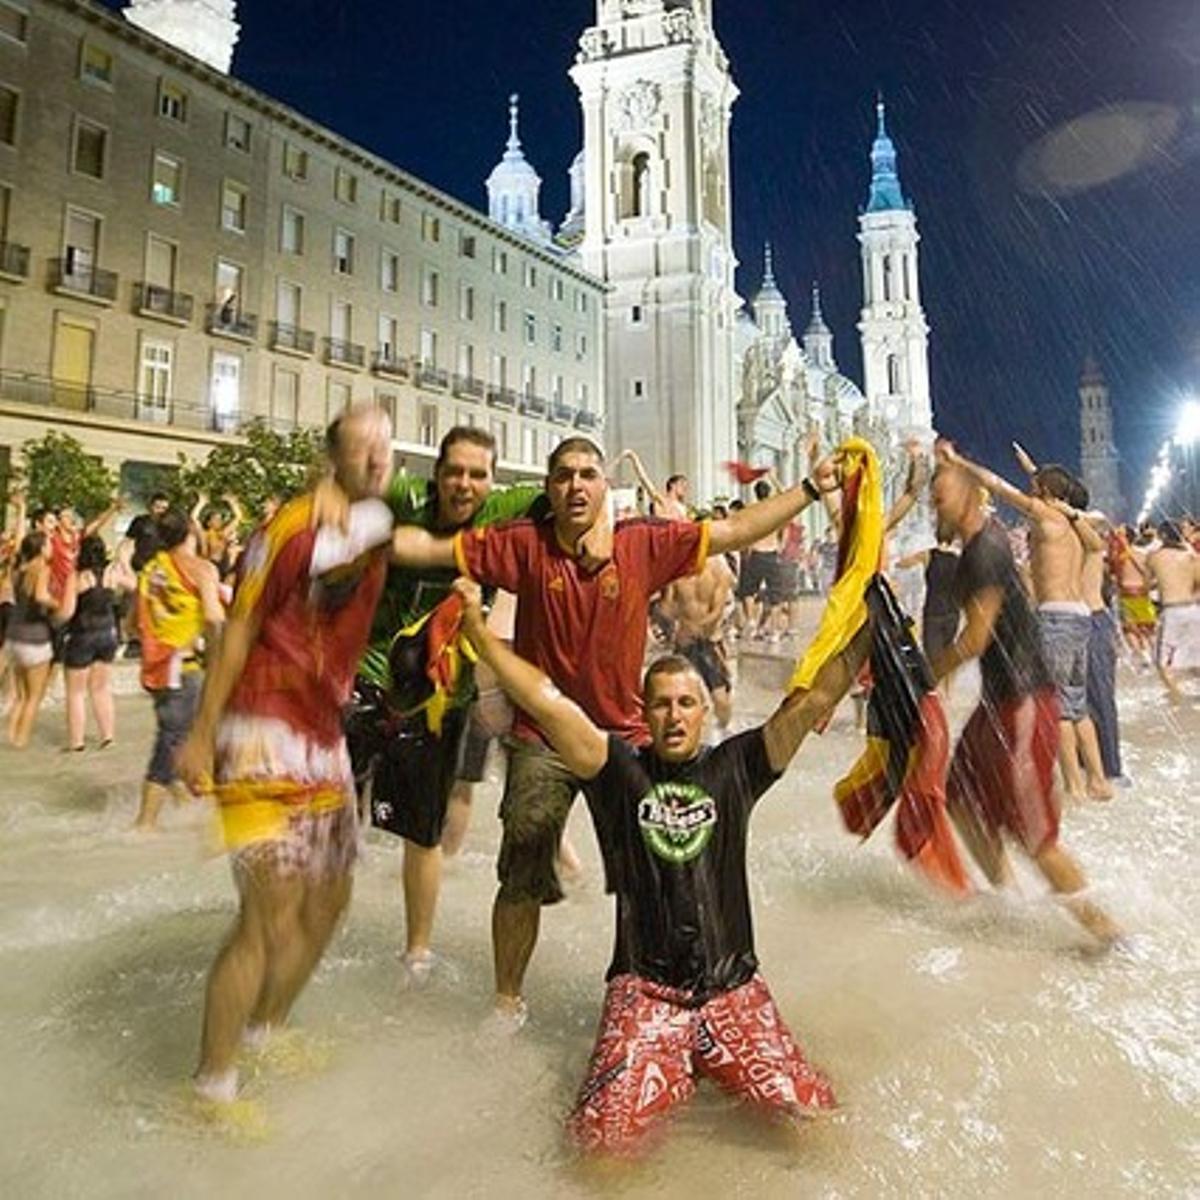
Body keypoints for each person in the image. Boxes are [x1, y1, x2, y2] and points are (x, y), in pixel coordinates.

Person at [387, 437, 841, 1027]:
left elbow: (735, 532)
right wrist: (345, 535)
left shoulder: (643, 542)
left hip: (624, 735)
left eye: (588, 475)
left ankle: (662, 987)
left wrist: (809, 488)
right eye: (564, 476)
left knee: (667, 859)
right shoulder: (524, 545)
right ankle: (506, 1003)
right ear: (549, 490)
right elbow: (432, 546)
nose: (576, 485)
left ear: (604, 488)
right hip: (543, 736)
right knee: (523, 861)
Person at [453, 577, 865, 1156]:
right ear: (643, 713)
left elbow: (817, 700)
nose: (675, 716)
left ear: (702, 713)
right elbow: (545, 699)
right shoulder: (617, 769)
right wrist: (478, 634)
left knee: (816, 1125)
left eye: (686, 704)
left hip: (733, 990)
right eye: (662, 704)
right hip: (646, 994)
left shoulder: (737, 766)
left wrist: (871, 622)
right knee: (600, 1150)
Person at [176, 405, 396, 1106]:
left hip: (322, 738)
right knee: (266, 913)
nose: (377, 460)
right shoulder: (289, 528)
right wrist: (202, 732)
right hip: (258, 731)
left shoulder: (372, 528)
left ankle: (264, 1030)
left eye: (385, 448)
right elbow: (236, 628)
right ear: (334, 455)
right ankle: (211, 1087)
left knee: (330, 900)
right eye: (363, 448)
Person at [344, 426, 544, 982]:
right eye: (454, 471)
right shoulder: (405, 497)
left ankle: (417, 954)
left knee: (423, 834)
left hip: (441, 698)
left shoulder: (504, 509)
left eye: (477, 474)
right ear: (436, 473)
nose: (464, 483)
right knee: (325, 815)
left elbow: (573, 487)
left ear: (492, 480)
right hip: (367, 678)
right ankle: (302, 923)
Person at [928, 451, 1121, 946]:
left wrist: (925, 675)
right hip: (997, 701)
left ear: (970, 497)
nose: (934, 508)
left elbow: (974, 639)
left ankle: (1108, 934)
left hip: (1023, 700)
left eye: (941, 496)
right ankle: (1008, 901)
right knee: (960, 798)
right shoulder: (978, 546)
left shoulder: (986, 550)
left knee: (1034, 834)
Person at [946, 445, 1112, 800]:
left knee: (1058, 708)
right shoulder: (1073, 523)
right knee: (1077, 704)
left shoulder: (1045, 516)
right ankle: (1098, 780)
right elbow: (1066, 501)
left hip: (1055, 618)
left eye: (1036, 488)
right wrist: (1033, 468)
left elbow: (998, 486)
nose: (1030, 492)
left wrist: (959, 462)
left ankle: (1074, 787)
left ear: (1045, 493)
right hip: (1080, 617)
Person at [133, 509, 224, 831]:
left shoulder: (151, 569)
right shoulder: (202, 569)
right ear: (190, 532)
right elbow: (213, 618)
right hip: (183, 668)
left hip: (154, 667)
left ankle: (186, 805)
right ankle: (145, 822)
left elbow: (133, 624)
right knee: (172, 741)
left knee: (180, 737)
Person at [6, 531, 76, 747]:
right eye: (48, 544)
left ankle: (10, 735)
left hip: (14, 636)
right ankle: (21, 741)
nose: (51, 548)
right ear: (40, 548)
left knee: (19, 695)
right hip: (35, 638)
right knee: (34, 696)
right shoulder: (41, 569)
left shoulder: (18, 569)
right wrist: (58, 603)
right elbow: (40, 596)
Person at [61, 534, 120, 751]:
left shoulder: (77, 577)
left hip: (82, 635)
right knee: (102, 688)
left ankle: (77, 742)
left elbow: (66, 612)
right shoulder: (112, 574)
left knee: (76, 692)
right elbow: (132, 585)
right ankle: (108, 735)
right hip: (107, 634)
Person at [1146, 520, 1200, 704]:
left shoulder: (1154, 556)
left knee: (1162, 663)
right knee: (1197, 659)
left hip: (1172, 612)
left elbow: (1148, 584)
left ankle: (1178, 699)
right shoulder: (1191, 556)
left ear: (1161, 536)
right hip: (1193, 610)